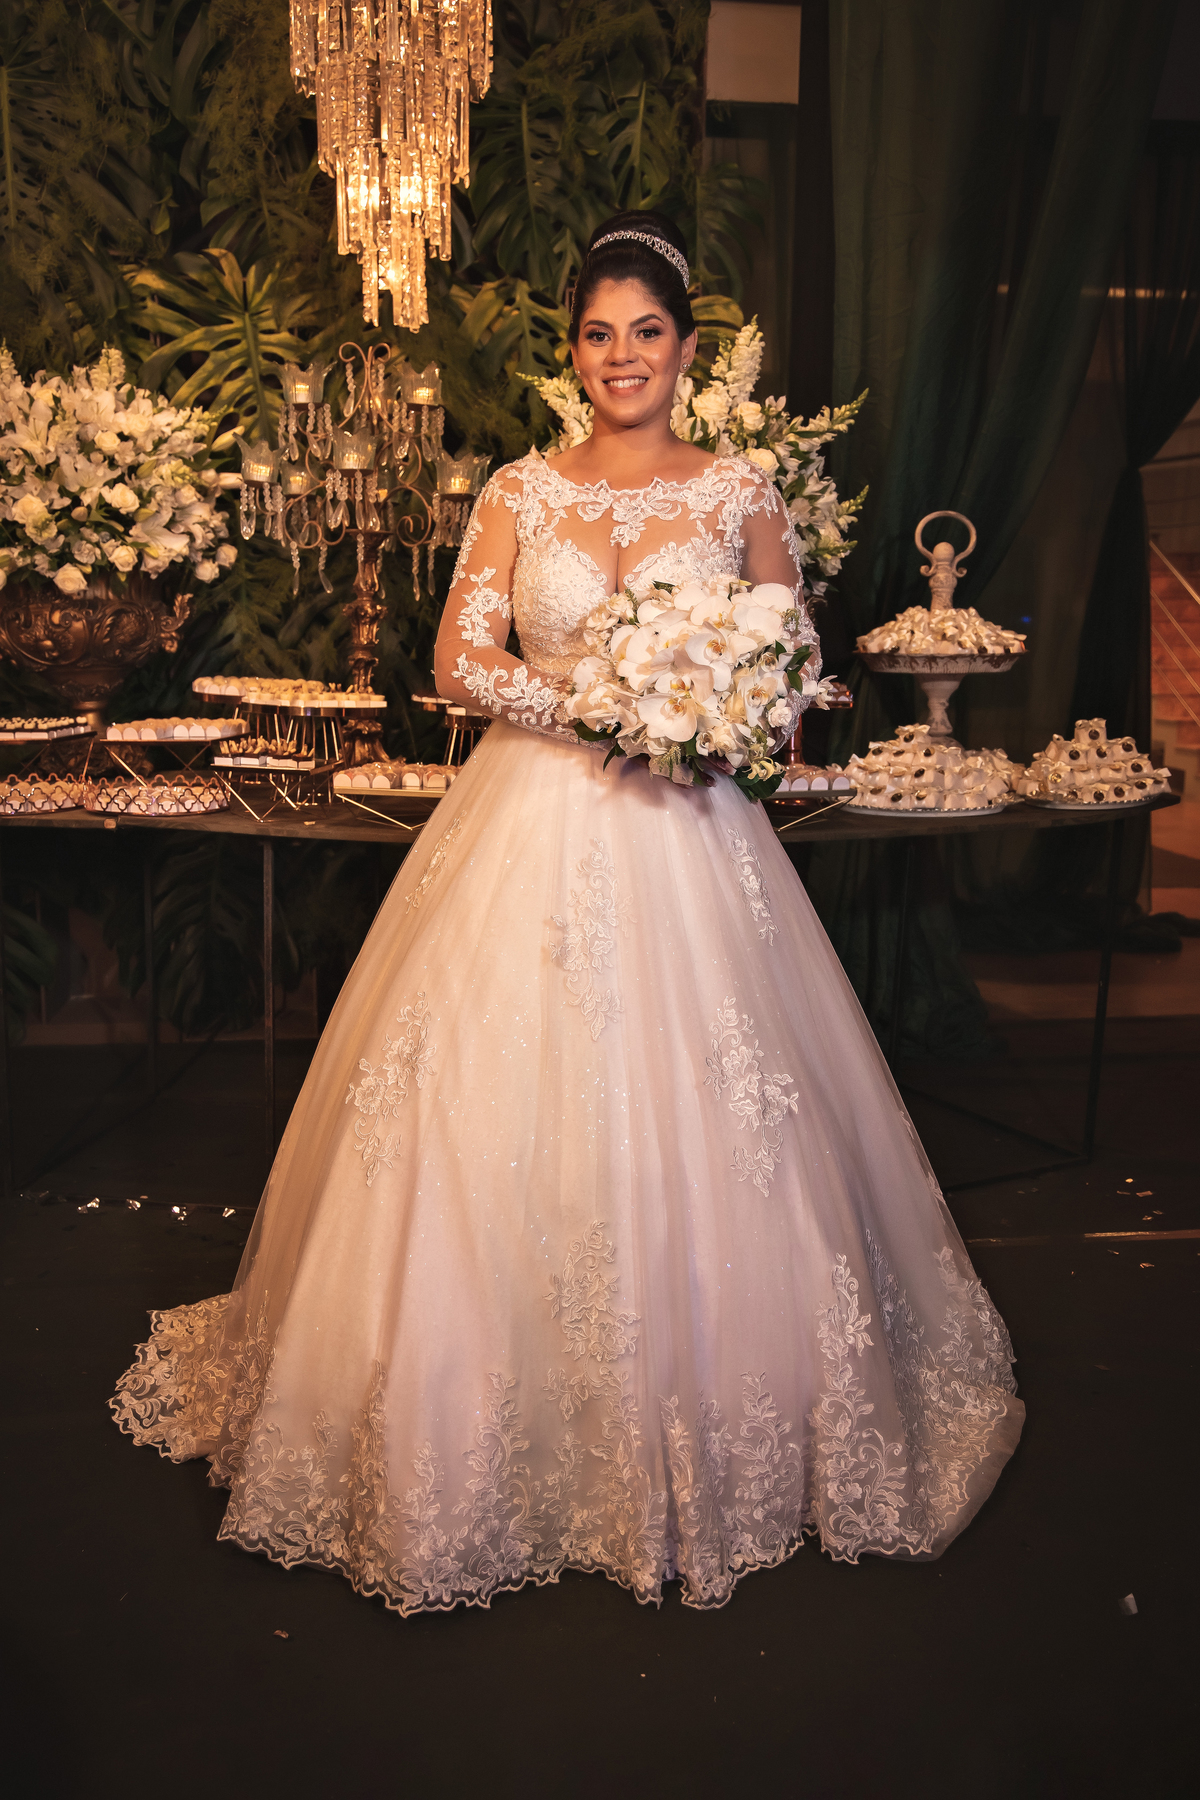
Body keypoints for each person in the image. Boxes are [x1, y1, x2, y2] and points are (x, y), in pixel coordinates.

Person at [112, 210, 1023, 1615]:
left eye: (645, 332)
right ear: (576, 352)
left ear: (686, 348)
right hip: (529, 818)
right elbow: (458, 657)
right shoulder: (518, 490)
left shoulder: (739, 493)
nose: (621, 356)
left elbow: (789, 659)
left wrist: (709, 706)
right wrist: (606, 700)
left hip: (691, 840)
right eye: (599, 334)